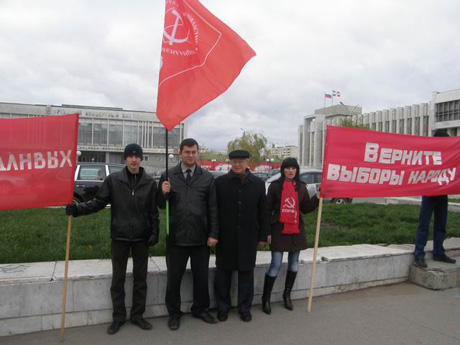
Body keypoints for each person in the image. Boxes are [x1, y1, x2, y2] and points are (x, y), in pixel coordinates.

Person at [66, 143, 159, 335]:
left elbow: (153, 212)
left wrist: (154, 232)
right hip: (120, 236)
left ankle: (137, 315)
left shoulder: (149, 182)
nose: (134, 159)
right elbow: (99, 202)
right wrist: (77, 210)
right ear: (125, 159)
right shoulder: (114, 180)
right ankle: (118, 317)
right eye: (130, 156)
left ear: (141, 159)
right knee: (118, 279)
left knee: (140, 279)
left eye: (137, 156)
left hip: (141, 238)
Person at [158, 138, 219, 330]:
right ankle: (174, 313)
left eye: (194, 152)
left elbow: (213, 209)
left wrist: (213, 233)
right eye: (187, 152)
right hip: (176, 237)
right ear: (180, 153)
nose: (190, 155)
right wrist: (163, 193)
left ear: (197, 153)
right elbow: (160, 205)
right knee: (173, 279)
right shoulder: (168, 175)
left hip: (201, 238)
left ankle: (200, 309)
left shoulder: (207, 178)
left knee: (201, 277)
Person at [214, 150, 269, 322]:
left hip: (248, 236)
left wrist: (263, 234)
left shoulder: (258, 184)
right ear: (230, 163)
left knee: (246, 275)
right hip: (225, 236)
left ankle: (244, 308)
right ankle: (223, 307)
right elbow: (213, 211)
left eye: (241, 161)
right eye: (234, 161)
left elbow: (263, 212)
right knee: (223, 274)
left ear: (248, 164)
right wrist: (213, 233)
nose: (237, 164)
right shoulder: (220, 183)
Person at [261, 157, 319, 314]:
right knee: (276, 264)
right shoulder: (275, 187)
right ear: (283, 170)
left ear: (297, 170)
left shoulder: (301, 187)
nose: (291, 171)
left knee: (294, 264)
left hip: (296, 229)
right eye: (288, 168)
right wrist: (266, 232)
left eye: (294, 168)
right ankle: (265, 299)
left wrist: (317, 198)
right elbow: (266, 210)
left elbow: (305, 208)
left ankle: (287, 296)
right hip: (278, 229)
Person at [413, 129, 457, 268]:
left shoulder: (449, 154)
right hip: (429, 194)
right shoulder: (428, 154)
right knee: (424, 226)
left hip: (442, 193)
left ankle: (439, 252)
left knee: (441, 225)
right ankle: (419, 255)